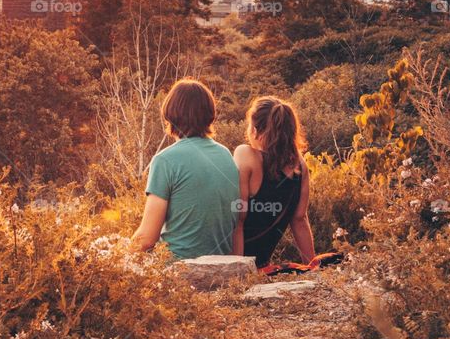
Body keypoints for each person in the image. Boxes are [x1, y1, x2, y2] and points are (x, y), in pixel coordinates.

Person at [131, 79, 240, 259]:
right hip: (221, 266)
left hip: (177, 272)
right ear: (210, 114)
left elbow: (146, 239)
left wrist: (115, 258)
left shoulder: (165, 160)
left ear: (170, 114)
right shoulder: (225, 155)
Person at [232, 96, 315, 268]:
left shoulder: (246, 155)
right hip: (263, 266)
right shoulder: (300, 165)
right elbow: (300, 221)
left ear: (254, 130)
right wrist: (313, 267)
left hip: (235, 264)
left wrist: (237, 274)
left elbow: (237, 221)